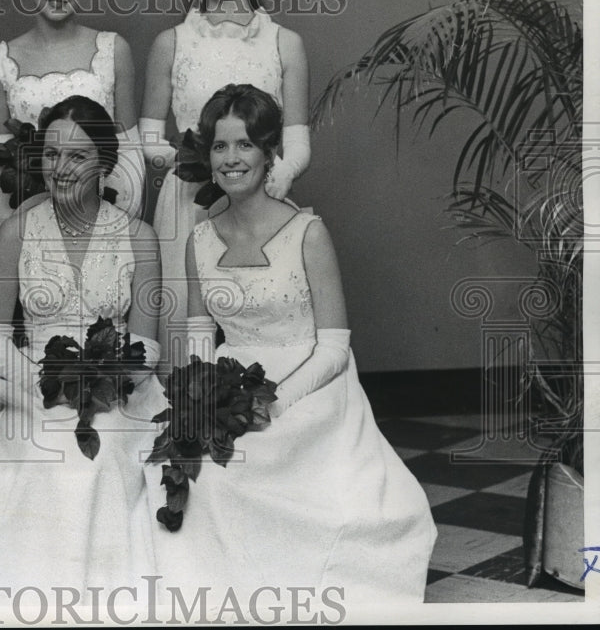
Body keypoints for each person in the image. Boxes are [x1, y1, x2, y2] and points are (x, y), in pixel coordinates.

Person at [146, 84, 435, 604]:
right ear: (206, 156)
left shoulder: (308, 232)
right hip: (228, 384)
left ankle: (302, 590)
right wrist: (199, 399)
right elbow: (197, 337)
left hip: (311, 387)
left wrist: (272, 402)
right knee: (198, 471)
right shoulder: (199, 240)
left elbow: (334, 347)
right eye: (219, 146)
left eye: (244, 145)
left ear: (269, 152)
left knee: (273, 465)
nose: (231, 159)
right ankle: (226, 593)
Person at [0, 95, 162, 599]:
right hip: (34, 390)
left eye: (77, 157)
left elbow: (145, 341)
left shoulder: (139, 237)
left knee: (98, 455)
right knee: (50, 450)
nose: (60, 169)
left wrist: (108, 382)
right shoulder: (16, 231)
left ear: (105, 164)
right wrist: (42, 386)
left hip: (118, 392)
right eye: (52, 155)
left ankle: (101, 595)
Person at [139, 0, 311, 362]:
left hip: (263, 199)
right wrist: (197, 162)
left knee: (260, 324)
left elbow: (297, 141)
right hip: (187, 203)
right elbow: (149, 139)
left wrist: (280, 175)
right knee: (185, 330)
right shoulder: (171, 43)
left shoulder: (284, 43)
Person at [0, 0, 145, 241]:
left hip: (100, 204)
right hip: (23, 212)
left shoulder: (114, 50)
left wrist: (118, 213)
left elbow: (129, 150)